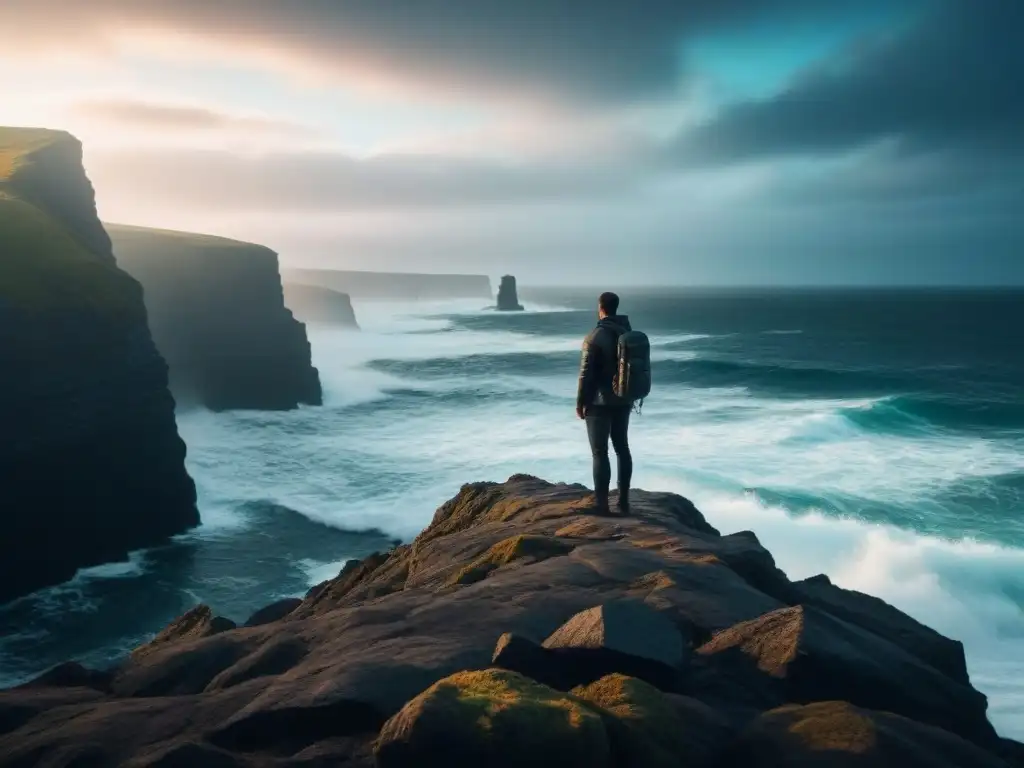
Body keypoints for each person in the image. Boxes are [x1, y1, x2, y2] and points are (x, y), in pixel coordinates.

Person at [576, 291, 633, 515]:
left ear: (600, 308)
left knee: (600, 452)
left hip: (599, 403)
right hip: (624, 398)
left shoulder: (595, 335)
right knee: (622, 448)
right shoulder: (627, 332)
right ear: (616, 307)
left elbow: (585, 374)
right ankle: (624, 501)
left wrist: (580, 402)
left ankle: (602, 504)